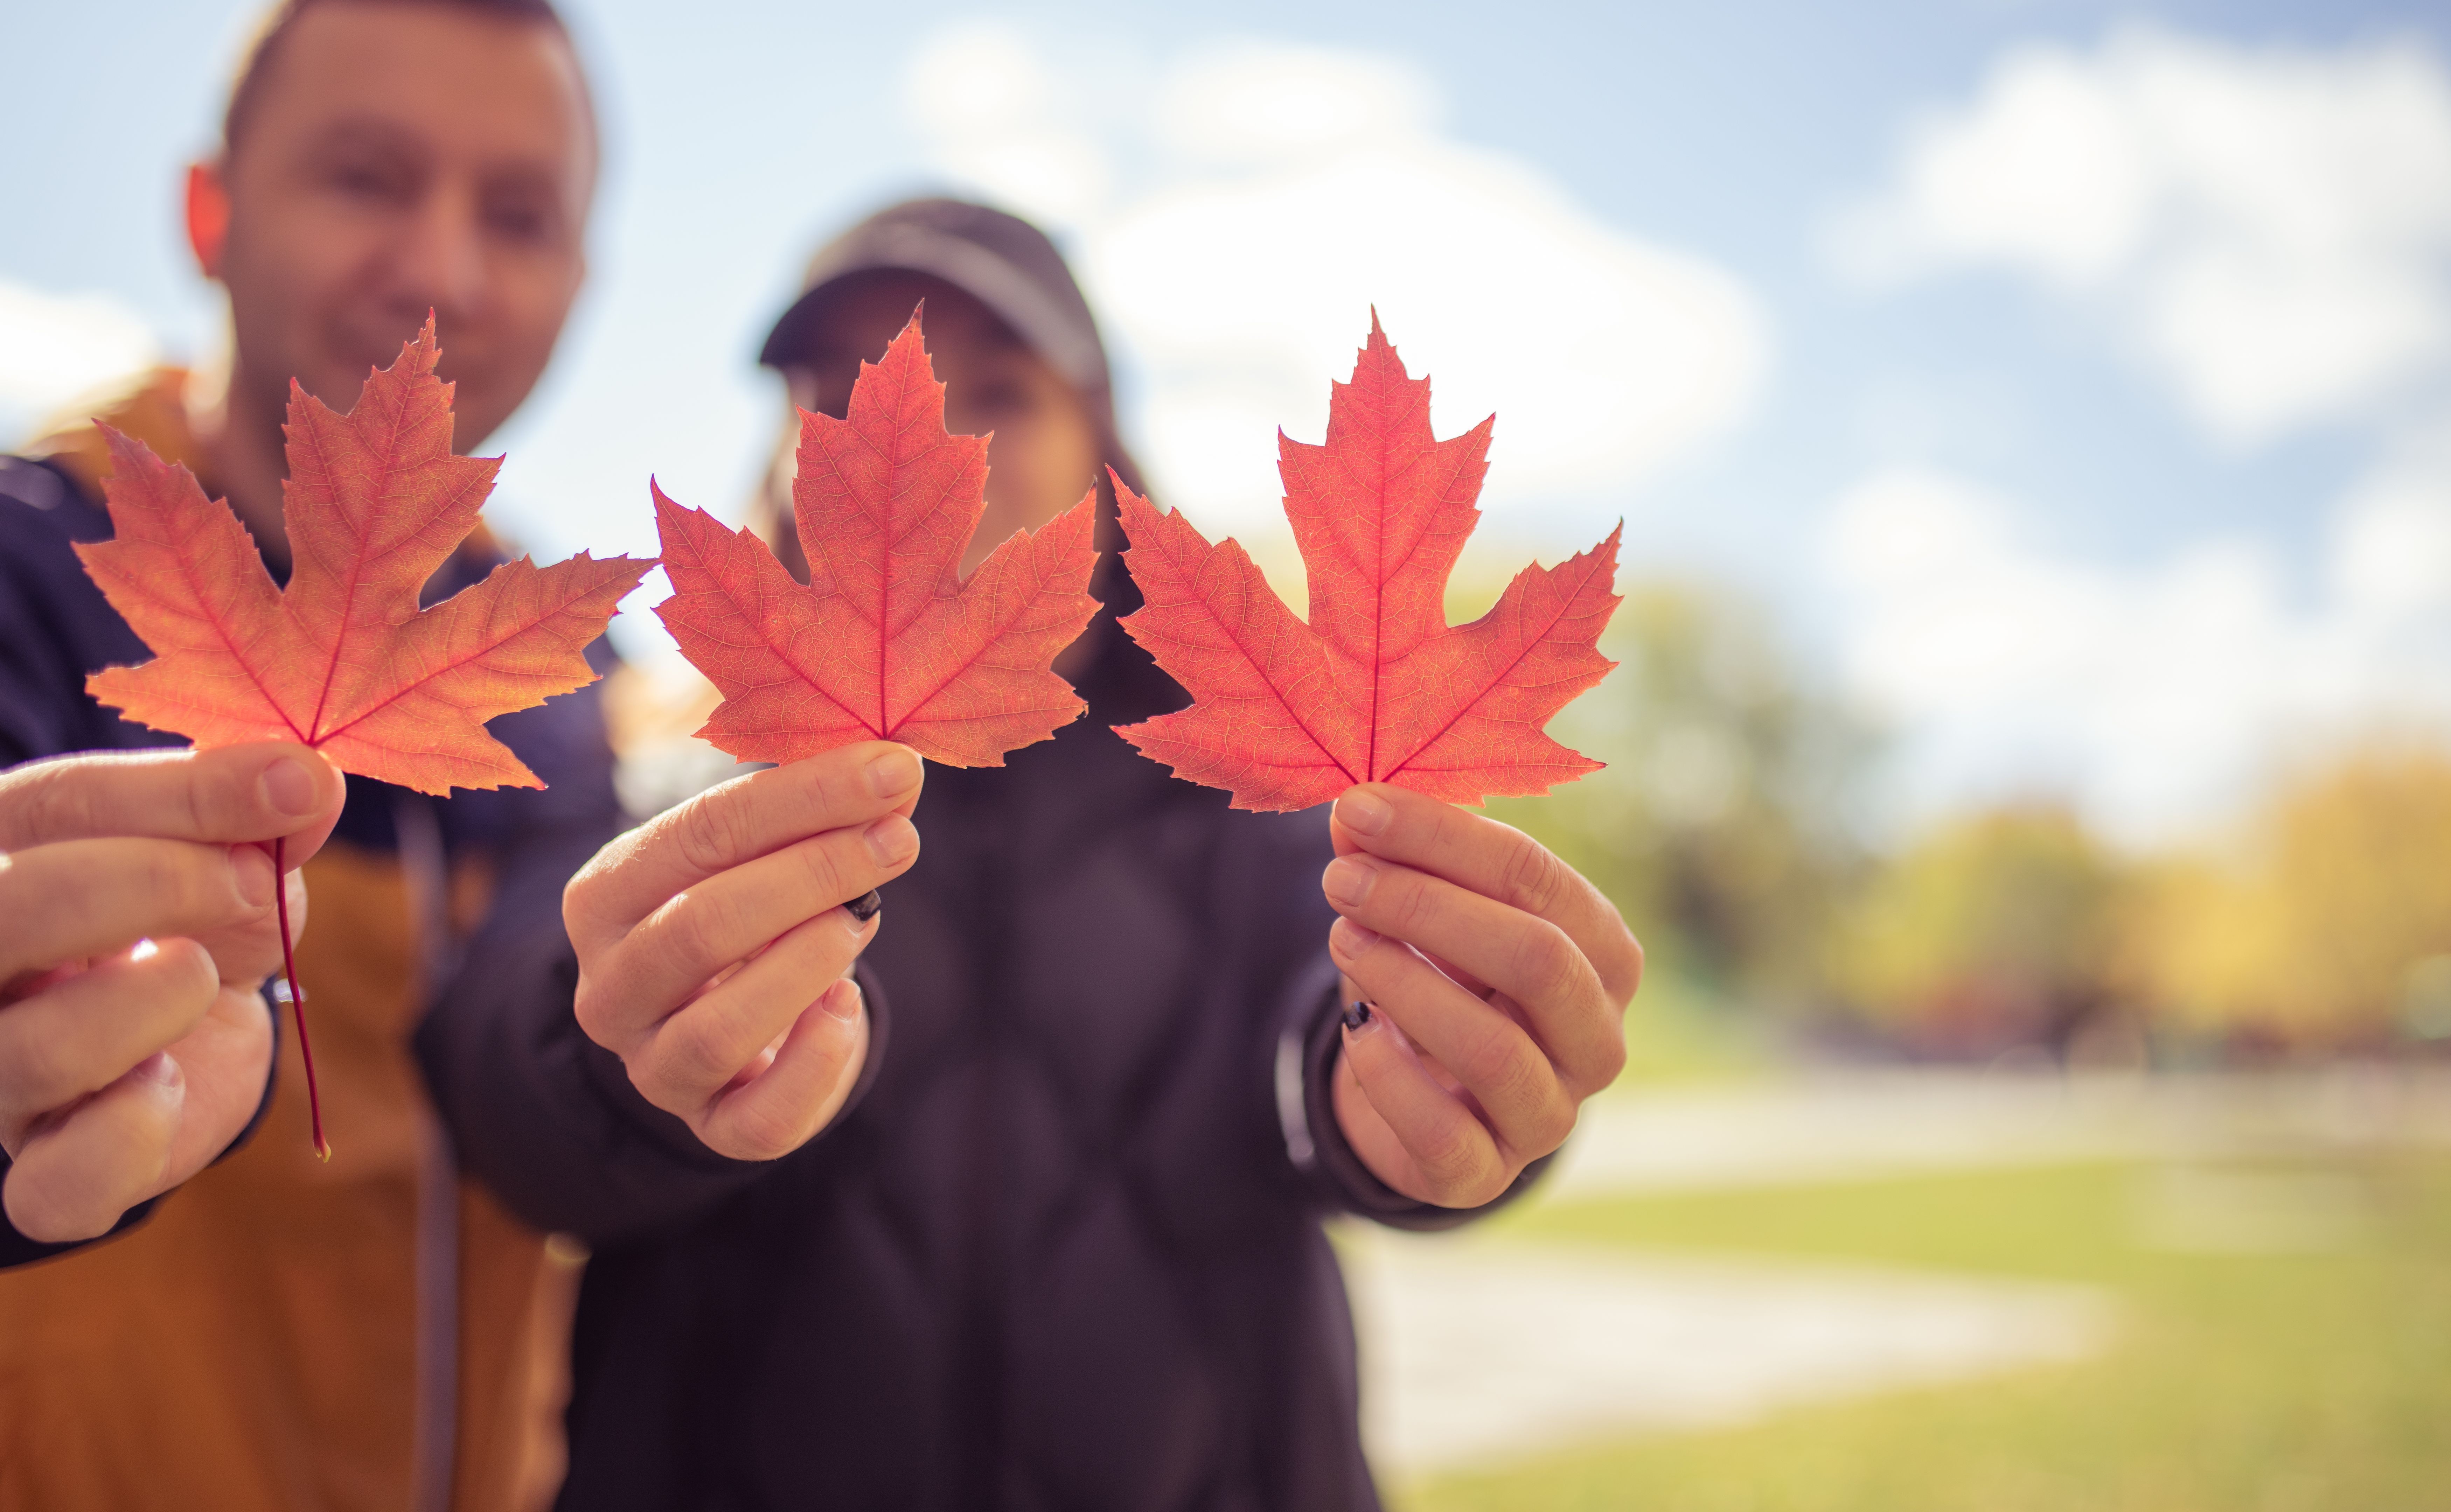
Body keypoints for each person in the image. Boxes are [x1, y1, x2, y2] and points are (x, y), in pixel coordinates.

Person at [418, 198, 1644, 1510]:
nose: (928, 445)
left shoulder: (1252, 780)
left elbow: (1327, 1002)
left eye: (1001, 390)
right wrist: (623, 1062)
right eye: (840, 394)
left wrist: (1425, 1077)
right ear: (779, 456)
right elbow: (503, 1066)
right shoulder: (658, 768)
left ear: (1104, 460)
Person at [0, 1, 613, 1506]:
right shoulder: (31, 566)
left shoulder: (561, 679)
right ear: (209, 213)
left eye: (517, 215)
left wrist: (680, 1082)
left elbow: (539, 1068)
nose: (441, 275)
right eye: (365, 179)